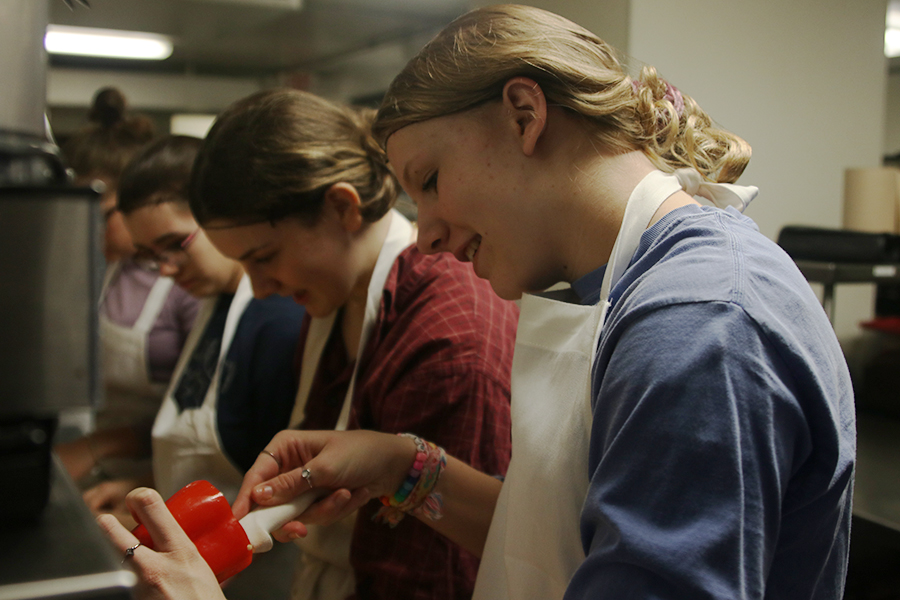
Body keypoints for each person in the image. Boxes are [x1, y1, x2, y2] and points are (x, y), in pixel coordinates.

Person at [98, 5, 856, 600]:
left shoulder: (698, 324)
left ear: (524, 114)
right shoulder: (628, 286)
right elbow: (566, 543)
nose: (423, 236)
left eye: (428, 180)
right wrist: (402, 465)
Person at [190, 89, 516, 600]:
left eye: (265, 257)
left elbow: (437, 576)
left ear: (342, 207)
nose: (259, 288)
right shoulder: (336, 296)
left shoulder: (448, 334)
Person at [55, 87, 201, 504]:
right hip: (110, 474)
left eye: (102, 216)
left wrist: (96, 447)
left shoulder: (188, 280)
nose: (89, 230)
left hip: (171, 479)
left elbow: (199, 416)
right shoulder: (110, 270)